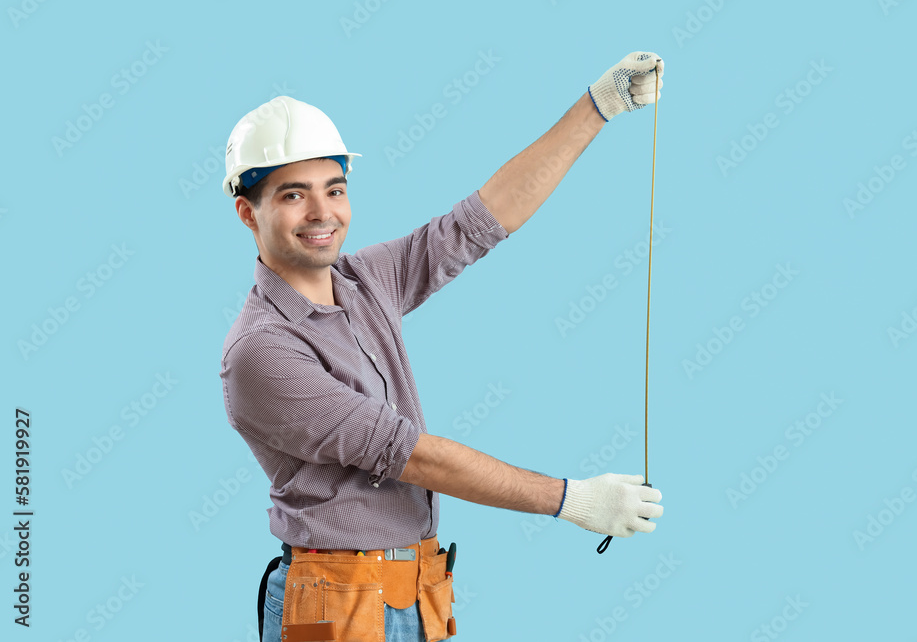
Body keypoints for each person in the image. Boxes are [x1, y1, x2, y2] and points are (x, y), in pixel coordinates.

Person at [219, 51, 666, 642]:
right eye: (293, 195)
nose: (323, 212)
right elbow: (412, 455)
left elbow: (478, 221)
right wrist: (571, 499)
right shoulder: (261, 352)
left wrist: (598, 106)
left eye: (334, 188)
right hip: (339, 603)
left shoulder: (365, 281)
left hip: (418, 591)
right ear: (248, 212)